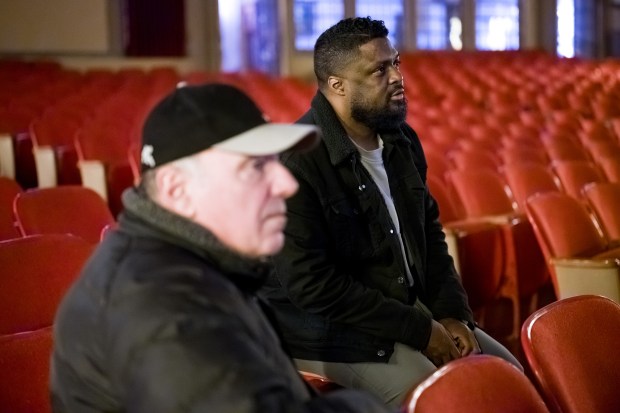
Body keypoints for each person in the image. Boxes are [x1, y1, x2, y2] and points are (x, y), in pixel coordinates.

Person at [50, 83, 393, 413]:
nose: (286, 183)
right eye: (255, 166)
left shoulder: (198, 267)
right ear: (177, 190)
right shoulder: (160, 306)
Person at [260, 17, 522, 407]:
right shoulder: (296, 163)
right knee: (437, 398)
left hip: (397, 308)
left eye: (396, 62)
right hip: (327, 331)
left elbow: (430, 236)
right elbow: (313, 288)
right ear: (337, 85)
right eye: (380, 70)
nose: (398, 77)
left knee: (508, 377)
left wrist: (452, 315)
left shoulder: (401, 141)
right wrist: (421, 330)